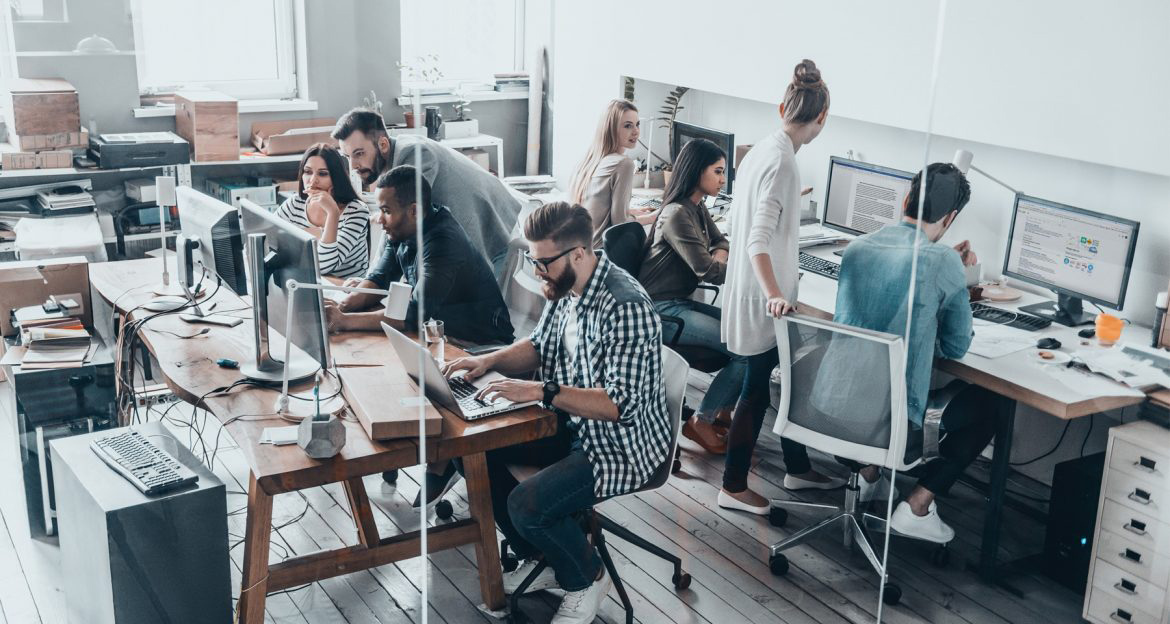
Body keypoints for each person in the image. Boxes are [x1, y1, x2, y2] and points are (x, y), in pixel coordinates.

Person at [444, 201, 671, 624]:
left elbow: (620, 405)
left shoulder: (624, 306)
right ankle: (547, 556)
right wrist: (489, 361)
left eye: (542, 261)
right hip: (571, 425)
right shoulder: (565, 288)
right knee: (469, 451)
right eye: (532, 259)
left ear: (579, 254)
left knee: (527, 505)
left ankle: (587, 577)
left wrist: (540, 389)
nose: (536, 270)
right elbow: (539, 345)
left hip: (621, 445)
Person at [831, 162, 995, 543]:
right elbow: (956, 346)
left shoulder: (857, 247)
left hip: (834, 409)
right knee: (989, 406)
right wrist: (951, 273)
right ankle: (918, 504)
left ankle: (870, 473)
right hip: (891, 424)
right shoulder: (944, 262)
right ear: (951, 217)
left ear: (906, 197)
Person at [718, 59, 844, 515]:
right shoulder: (783, 164)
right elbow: (755, 240)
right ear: (822, 118)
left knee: (787, 379)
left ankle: (797, 467)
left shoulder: (762, 152)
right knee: (756, 390)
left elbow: (744, 221)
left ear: (781, 107)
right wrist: (775, 293)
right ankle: (732, 486)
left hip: (753, 292)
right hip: (762, 300)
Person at [325, 165, 514, 345]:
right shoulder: (401, 229)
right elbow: (378, 279)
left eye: (386, 211)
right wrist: (342, 305)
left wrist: (345, 321)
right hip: (439, 331)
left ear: (414, 211)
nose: (380, 220)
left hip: (477, 342)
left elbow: (413, 314)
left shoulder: (443, 242)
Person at [638, 137, 744, 454]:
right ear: (698, 171)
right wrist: (733, 269)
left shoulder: (695, 207)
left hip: (680, 304)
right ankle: (702, 420)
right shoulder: (677, 214)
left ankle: (721, 411)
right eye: (718, 172)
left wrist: (718, 257)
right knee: (745, 348)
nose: (723, 180)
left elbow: (720, 242)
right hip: (663, 311)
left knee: (751, 338)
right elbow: (708, 271)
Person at [331, 108, 523, 277]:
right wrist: (372, 281)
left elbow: (398, 224)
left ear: (382, 144)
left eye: (359, 154)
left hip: (494, 228)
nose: (353, 165)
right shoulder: (396, 158)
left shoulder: (415, 155)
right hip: (467, 230)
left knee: (484, 310)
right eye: (347, 156)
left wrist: (371, 281)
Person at [568, 99, 657, 248]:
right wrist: (650, 217)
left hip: (580, 250)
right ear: (611, 128)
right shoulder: (623, 164)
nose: (636, 131)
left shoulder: (588, 159)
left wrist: (631, 212)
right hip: (601, 254)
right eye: (628, 126)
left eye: (637, 124)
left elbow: (595, 208)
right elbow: (620, 224)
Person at [274, 143, 370, 279]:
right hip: (305, 280)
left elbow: (324, 266)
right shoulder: (295, 203)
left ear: (337, 177)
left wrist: (333, 213)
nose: (313, 181)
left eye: (323, 174)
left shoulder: (357, 211)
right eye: (307, 172)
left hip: (344, 291)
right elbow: (269, 243)